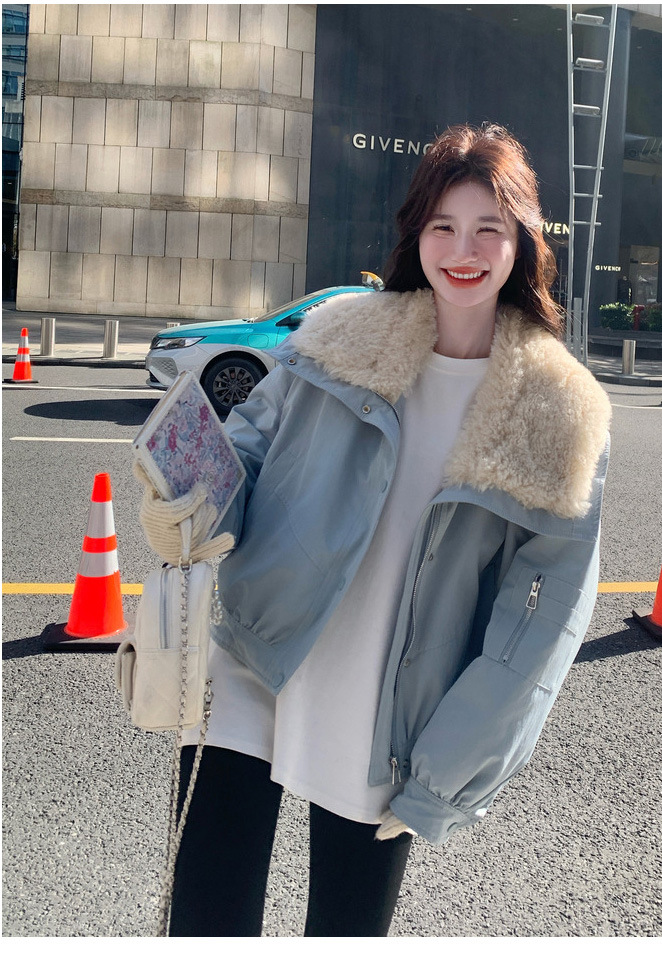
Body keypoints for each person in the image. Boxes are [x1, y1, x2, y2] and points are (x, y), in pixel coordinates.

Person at [137, 122, 612, 938]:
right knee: (205, 916)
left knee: (346, 931)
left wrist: (449, 769)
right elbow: (252, 439)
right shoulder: (341, 336)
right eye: (443, 226)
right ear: (416, 234)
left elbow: (544, 624)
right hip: (257, 652)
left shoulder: (560, 411)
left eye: (488, 228)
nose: (462, 250)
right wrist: (195, 504)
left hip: (387, 717)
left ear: (522, 242)